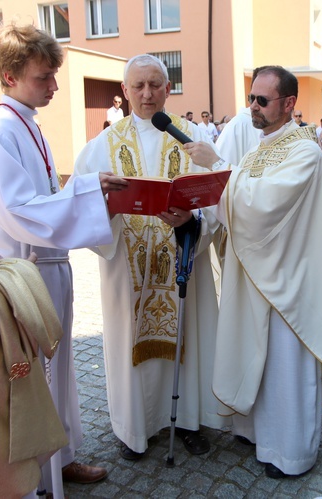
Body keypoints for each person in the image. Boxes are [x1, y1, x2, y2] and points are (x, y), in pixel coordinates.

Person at [0, 23, 127, 493]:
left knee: (58, 377)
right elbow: (18, 210)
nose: (54, 87)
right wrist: (84, 189)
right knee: (36, 381)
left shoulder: (26, 122)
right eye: (44, 77)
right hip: (28, 272)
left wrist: (83, 192)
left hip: (49, 267)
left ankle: (60, 460)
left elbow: (42, 196)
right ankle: (39, 477)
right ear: (9, 75)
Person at [184, 65, 322, 479]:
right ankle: (255, 431)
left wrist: (217, 163)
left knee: (284, 364)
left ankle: (290, 451)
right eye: (251, 99)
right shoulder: (260, 150)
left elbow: (264, 204)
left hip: (289, 280)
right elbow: (236, 204)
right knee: (255, 353)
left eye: (262, 100)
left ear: (289, 103)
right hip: (254, 274)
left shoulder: (305, 151)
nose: (252, 107)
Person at [73, 53, 225, 462]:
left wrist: (191, 220)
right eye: (137, 86)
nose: (147, 93)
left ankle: (190, 421)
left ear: (168, 88)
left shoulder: (192, 138)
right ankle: (134, 428)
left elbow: (216, 204)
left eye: (155, 84)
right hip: (128, 270)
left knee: (189, 341)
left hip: (183, 264)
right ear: (124, 92)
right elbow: (80, 207)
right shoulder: (102, 146)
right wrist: (105, 205)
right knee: (129, 346)